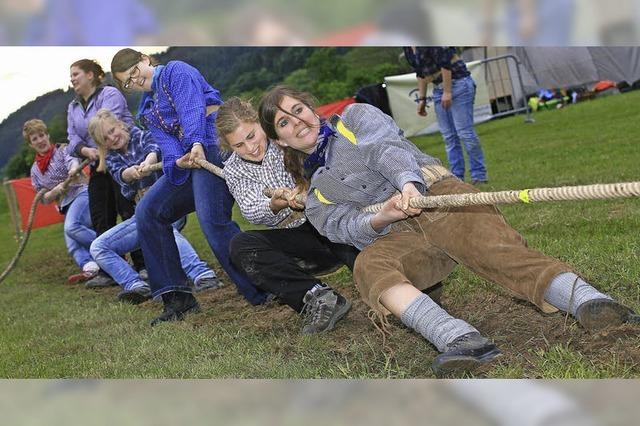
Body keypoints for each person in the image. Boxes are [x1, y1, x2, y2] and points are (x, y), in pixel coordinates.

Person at [258, 85, 640, 376]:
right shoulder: (316, 191)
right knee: (369, 269)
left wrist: (408, 185)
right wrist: (383, 218)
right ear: (279, 140)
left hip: (439, 196)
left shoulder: (355, 119)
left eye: (299, 110)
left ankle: (591, 303)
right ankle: (458, 339)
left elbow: (385, 149)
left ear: (312, 109)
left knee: (495, 251)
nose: (299, 121)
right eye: (285, 122)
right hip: (398, 233)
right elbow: (343, 228)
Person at [110, 48, 267, 325]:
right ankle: (177, 298)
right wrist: (175, 159)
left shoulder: (176, 71)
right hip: (188, 158)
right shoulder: (146, 108)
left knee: (212, 222)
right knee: (148, 211)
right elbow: (167, 144)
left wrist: (195, 142)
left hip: (210, 144)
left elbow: (192, 108)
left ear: (145, 60)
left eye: (134, 72)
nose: (134, 82)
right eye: (126, 82)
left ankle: (262, 286)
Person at [217, 97, 357, 334]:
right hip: (300, 239)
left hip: (331, 220)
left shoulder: (285, 138)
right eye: (239, 145)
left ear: (260, 124)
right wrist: (276, 203)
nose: (251, 148)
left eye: (251, 136)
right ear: (229, 147)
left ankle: (389, 283)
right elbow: (251, 210)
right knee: (241, 245)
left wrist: (306, 188)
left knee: (333, 223)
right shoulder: (233, 169)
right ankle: (318, 298)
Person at [88, 109, 223, 304]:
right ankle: (136, 286)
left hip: (169, 208)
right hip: (142, 216)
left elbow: (154, 148)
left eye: (112, 130)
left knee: (162, 225)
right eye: (105, 138)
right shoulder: (111, 157)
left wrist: (148, 162)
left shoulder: (143, 135)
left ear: (120, 125)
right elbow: (121, 175)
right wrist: (130, 173)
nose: (112, 138)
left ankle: (202, 274)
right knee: (98, 247)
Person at [66, 58, 145, 288]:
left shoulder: (109, 94)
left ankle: (143, 265)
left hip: (122, 158)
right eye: (70, 76)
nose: (72, 79)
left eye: (75, 74)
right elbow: (72, 138)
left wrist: (94, 145)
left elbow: (106, 127)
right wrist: (84, 149)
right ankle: (111, 269)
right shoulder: (72, 107)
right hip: (98, 165)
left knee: (128, 208)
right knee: (101, 213)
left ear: (90, 75)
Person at [23, 118, 99, 283]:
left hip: (81, 194)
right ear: (31, 144)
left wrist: (73, 170)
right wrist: (54, 192)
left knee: (72, 227)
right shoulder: (35, 170)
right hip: (65, 205)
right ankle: (91, 267)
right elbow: (43, 198)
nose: (39, 140)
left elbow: (73, 161)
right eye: (34, 138)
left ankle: (109, 248)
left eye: (41, 135)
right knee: (72, 245)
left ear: (47, 135)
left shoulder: (63, 150)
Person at [404, 47, 488, 185]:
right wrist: (422, 99)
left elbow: (445, 64)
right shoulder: (408, 48)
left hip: (459, 83)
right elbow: (420, 73)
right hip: (438, 88)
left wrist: (447, 92)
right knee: (449, 137)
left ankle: (479, 175)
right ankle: (457, 178)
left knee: (465, 133)